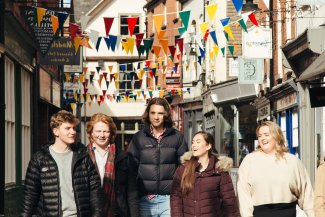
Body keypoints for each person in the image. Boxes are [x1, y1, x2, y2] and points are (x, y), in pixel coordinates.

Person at [21, 110, 104, 217]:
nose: (73, 132)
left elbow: (95, 190)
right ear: (56, 131)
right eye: (67, 128)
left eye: (74, 128)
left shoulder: (82, 156)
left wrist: (97, 214)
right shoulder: (40, 158)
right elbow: (30, 195)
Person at [237, 121, 314, 217]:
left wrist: (311, 214)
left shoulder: (292, 161)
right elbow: (244, 195)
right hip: (260, 213)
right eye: (260, 136)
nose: (262, 138)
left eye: (266, 135)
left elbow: (306, 194)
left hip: (289, 213)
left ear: (276, 137)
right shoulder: (249, 161)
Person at [127, 97, 188, 217]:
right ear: (148, 114)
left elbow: (184, 169)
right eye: (153, 113)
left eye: (160, 113)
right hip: (145, 200)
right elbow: (131, 170)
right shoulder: (139, 137)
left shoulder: (177, 137)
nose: (156, 117)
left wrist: (179, 194)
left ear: (166, 115)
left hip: (169, 200)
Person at [170, 131, 238, 217]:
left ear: (208, 146)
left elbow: (229, 202)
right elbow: (175, 197)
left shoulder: (219, 170)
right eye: (193, 142)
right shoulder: (183, 169)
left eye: (198, 142)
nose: (193, 145)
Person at [86, 113, 137, 217]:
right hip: (89, 212)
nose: (102, 135)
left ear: (111, 133)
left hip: (117, 212)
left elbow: (132, 193)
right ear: (91, 133)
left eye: (106, 131)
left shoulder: (124, 157)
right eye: (98, 131)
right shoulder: (82, 156)